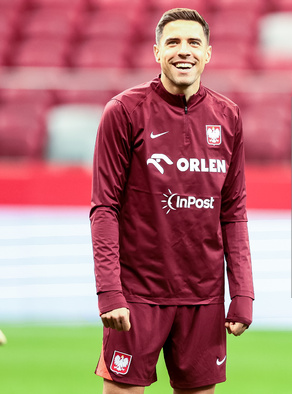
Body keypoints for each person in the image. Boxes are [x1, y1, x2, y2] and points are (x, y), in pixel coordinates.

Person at [90, 8, 254, 394]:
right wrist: (110, 292)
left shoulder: (228, 117)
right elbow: (104, 208)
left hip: (204, 296)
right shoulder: (124, 111)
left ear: (208, 53)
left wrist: (242, 292)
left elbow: (233, 213)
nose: (184, 51)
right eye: (174, 42)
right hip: (137, 296)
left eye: (194, 43)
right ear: (157, 52)